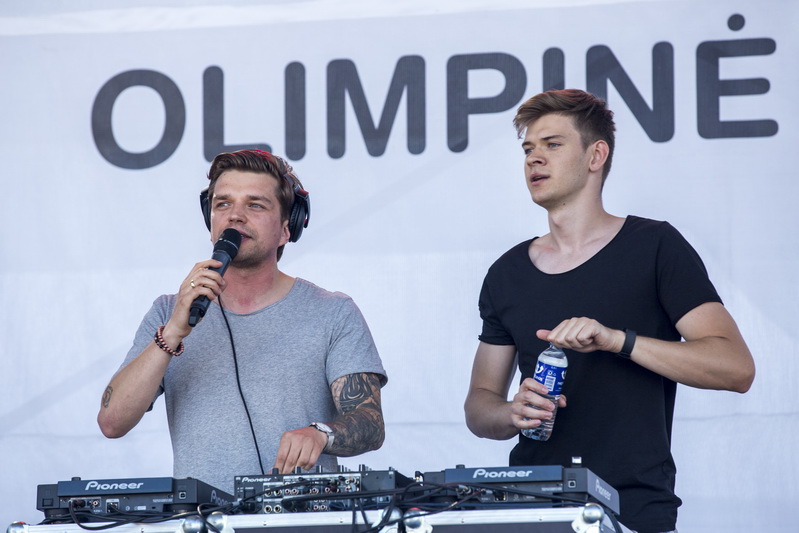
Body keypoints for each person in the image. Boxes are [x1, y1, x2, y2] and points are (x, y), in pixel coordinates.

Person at [463, 89, 755, 533]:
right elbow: (479, 404)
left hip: (633, 510)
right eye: (528, 149)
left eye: (553, 144)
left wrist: (616, 340)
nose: (534, 158)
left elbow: (736, 368)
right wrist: (511, 412)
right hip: (529, 508)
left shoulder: (655, 247)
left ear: (596, 155)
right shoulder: (506, 273)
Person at [98, 149, 387, 493]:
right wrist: (173, 332)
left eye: (255, 205)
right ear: (210, 223)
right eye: (223, 204)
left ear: (287, 229)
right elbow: (112, 422)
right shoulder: (168, 313)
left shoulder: (333, 312)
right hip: (203, 517)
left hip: (299, 516)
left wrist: (320, 434)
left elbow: (370, 424)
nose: (235, 215)